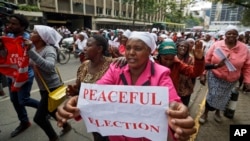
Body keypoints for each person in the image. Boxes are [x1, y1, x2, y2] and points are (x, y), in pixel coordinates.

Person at [56, 32, 197, 141]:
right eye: (128, 48)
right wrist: (78, 102)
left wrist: (178, 115)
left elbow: (173, 102)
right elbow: (98, 92)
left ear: (149, 51)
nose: (130, 52)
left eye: (137, 48)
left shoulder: (160, 73)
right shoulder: (115, 69)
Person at [24, 25, 71, 141]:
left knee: (39, 118)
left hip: (53, 87)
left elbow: (50, 67)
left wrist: (31, 52)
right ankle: (66, 126)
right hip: (43, 87)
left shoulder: (49, 50)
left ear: (41, 37)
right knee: (52, 110)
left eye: (34, 33)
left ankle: (53, 137)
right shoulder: (34, 49)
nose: (30, 34)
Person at [66, 34, 114, 141]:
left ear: (99, 49)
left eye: (88, 45)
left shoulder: (112, 64)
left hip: (108, 114)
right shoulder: (84, 65)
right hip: (90, 112)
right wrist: (74, 92)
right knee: (96, 136)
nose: (84, 48)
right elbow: (79, 87)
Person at [199, 25, 250, 124]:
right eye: (229, 33)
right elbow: (207, 60)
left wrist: (247, 80)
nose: (231, 35)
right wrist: (203, 74)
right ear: (225, 35)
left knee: (224, 96)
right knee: (213, 95)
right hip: (215, 76)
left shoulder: (244, 48)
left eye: (234, 33)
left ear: (237, 35)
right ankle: (205, 113)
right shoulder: (216, 45)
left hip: (232, 79)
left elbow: (247, 66)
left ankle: (218, 112)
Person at [5, 13, 40, 137]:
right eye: (9, 23)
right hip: (11, 76)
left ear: (23, 26)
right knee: (15, 100)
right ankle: (24, 122)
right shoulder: (8, 36)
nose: (10, 26)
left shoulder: (29, 40)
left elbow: (34, 59)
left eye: (14, 24)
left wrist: (29, 48)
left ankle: (44, 109)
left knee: (23, 100)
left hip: (24, 76)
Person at [156, 40, 205, 106]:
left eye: (171, 59)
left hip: (171, 96)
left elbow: (194, 73)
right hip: (155, 96)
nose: (168, 62)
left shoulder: (177, 64)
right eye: (165, 59)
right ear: (160, 55)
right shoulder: (152, 63)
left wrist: (199, 60)